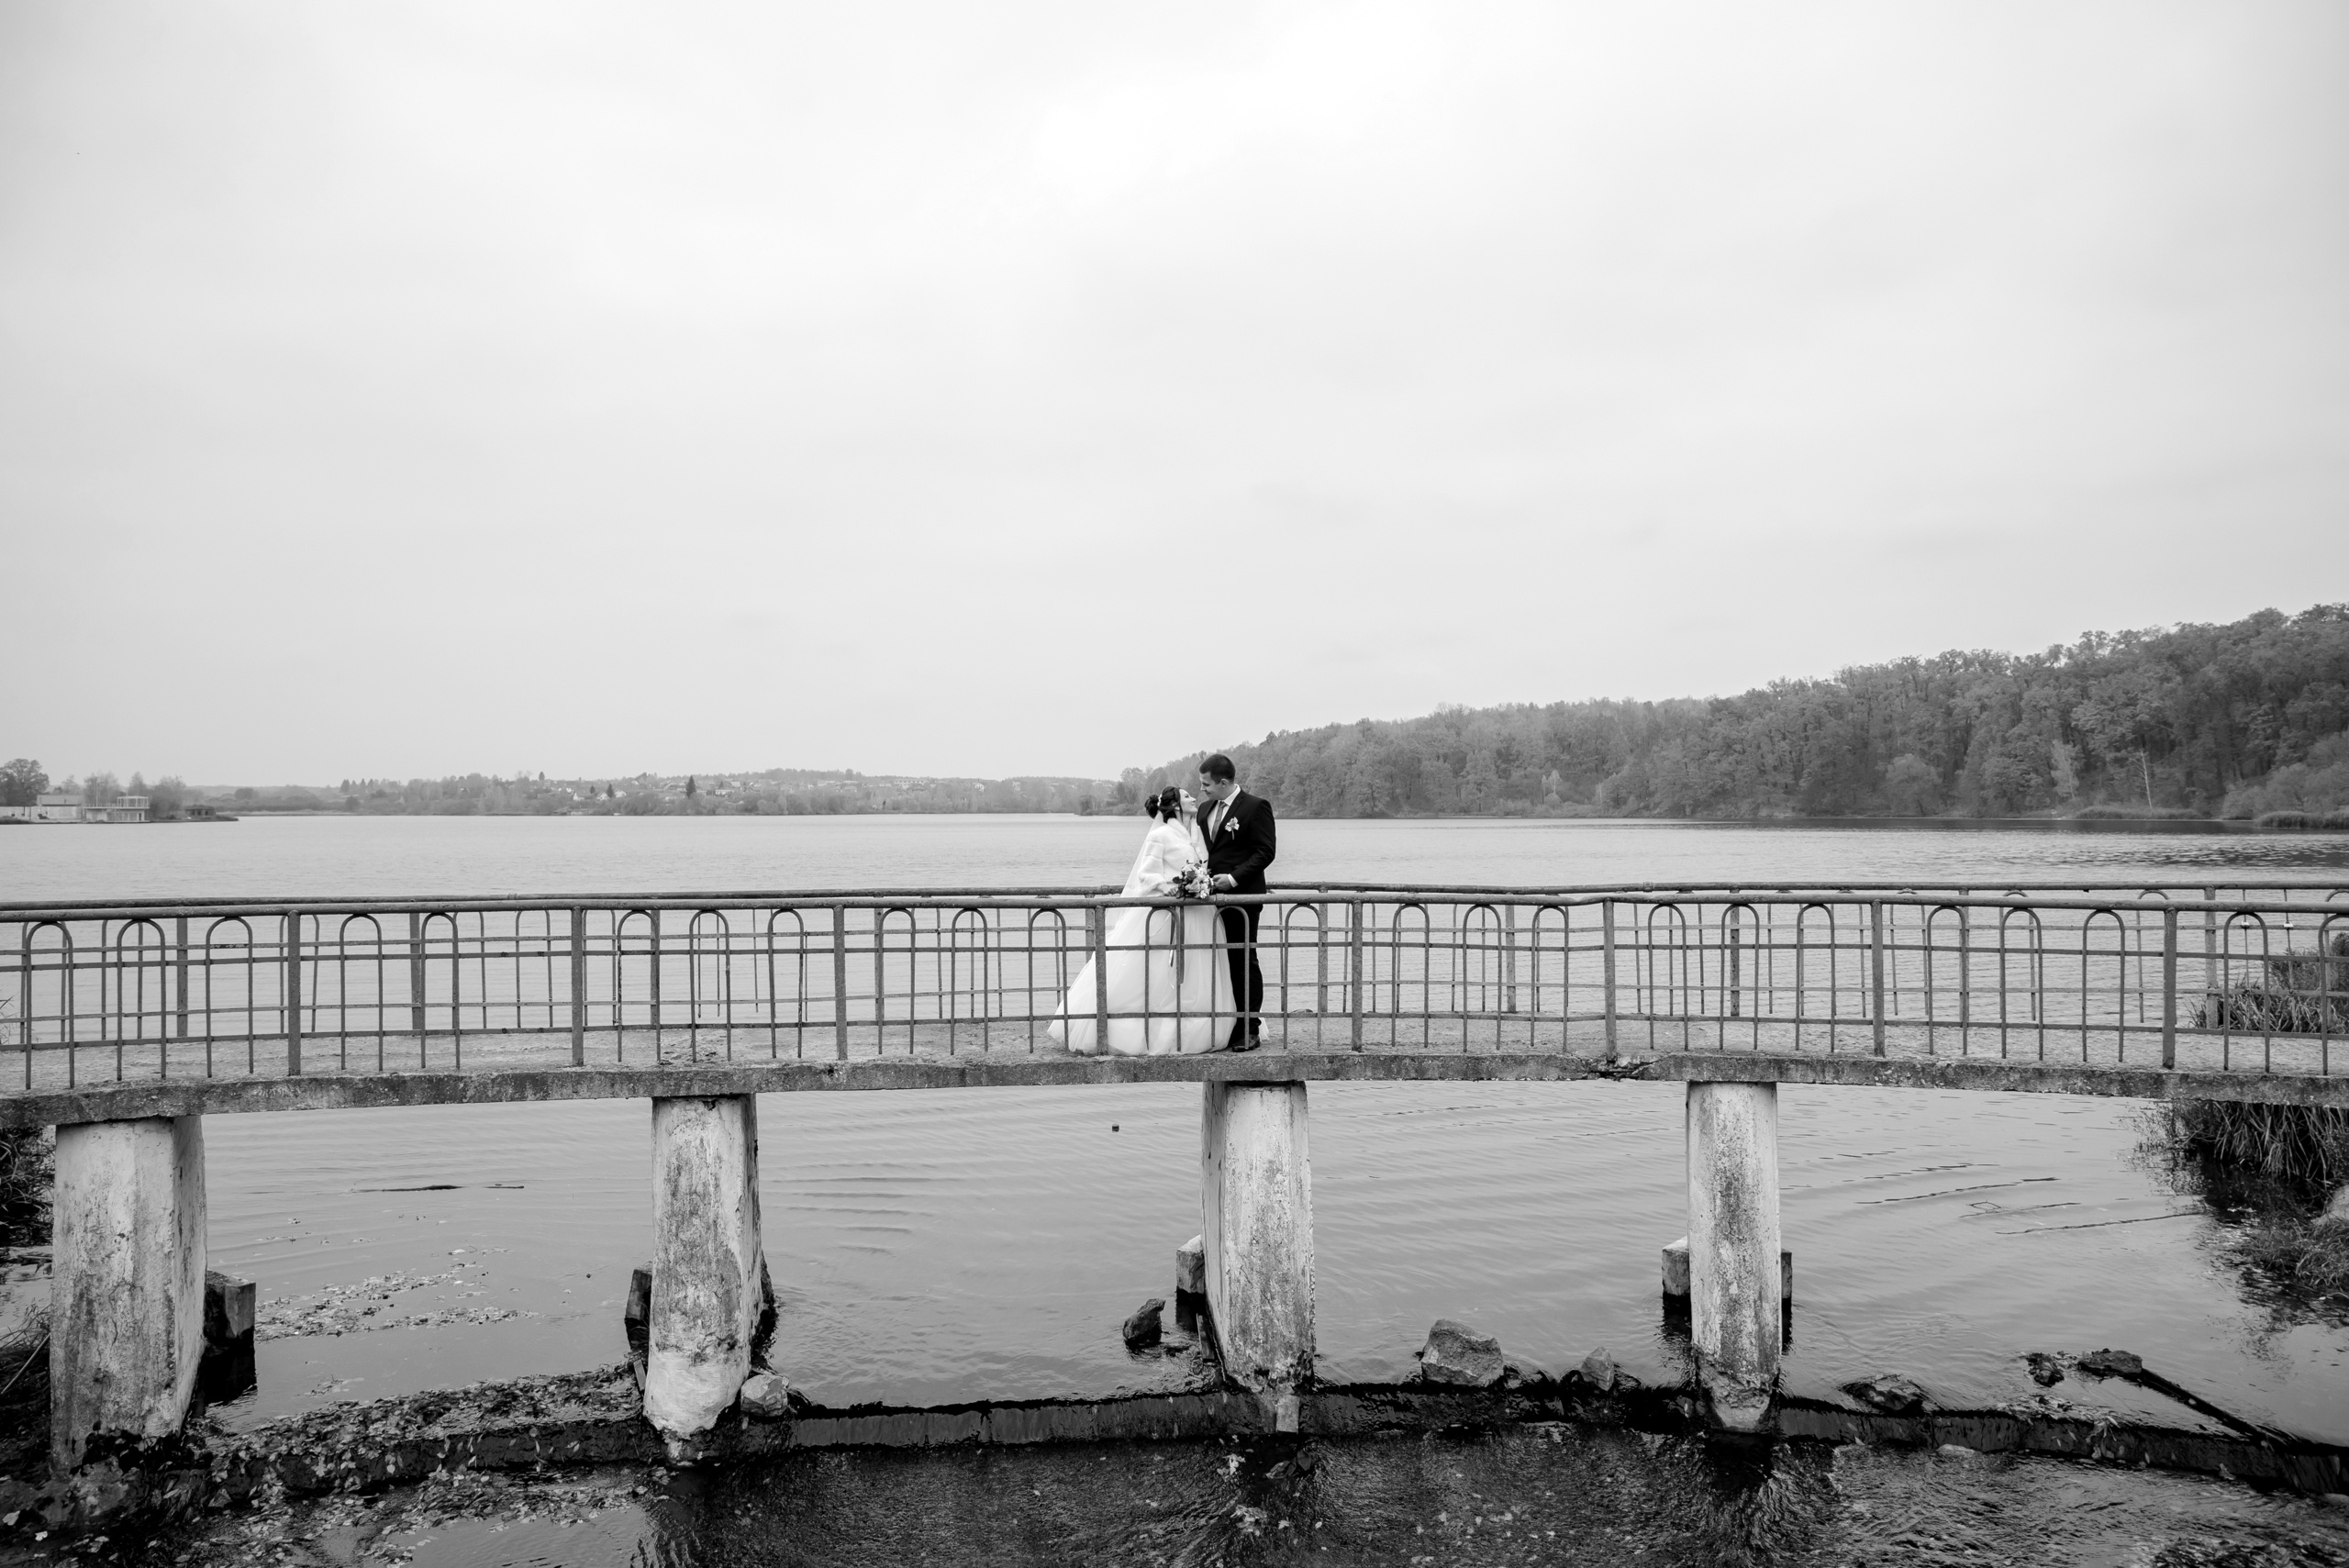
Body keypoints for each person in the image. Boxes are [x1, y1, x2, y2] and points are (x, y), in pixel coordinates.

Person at [1047, 786, 1232, 1055]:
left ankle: (1197, 1031)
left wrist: (1201, 882)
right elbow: (1146, 873)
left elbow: (1202, 866)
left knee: (1197, 972)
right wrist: (1166, 885)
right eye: (1188, 796)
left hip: (1199, 913)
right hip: (1168, 914)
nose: (1194, 798)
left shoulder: (1196, 833)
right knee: (1157, 972)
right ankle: (1143, 1032)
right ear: (1176, 806)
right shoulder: (1160, 835)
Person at [1196, 753, 1275, 1051]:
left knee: (1244, 960)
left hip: (1243, 898)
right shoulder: (1204, 810)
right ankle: (1228, 1025)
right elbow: (1206, 851)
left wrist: (1233, 879)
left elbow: (1266, 851)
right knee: (1219, 962)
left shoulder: (1255, 807)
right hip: (1209, 898)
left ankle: (1250, 1028)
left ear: (1224, 782)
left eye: (1206, 784)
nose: (1202, 789)